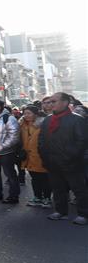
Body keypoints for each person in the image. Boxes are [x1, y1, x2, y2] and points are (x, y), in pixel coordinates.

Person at [39, 93, 87, 225]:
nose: (50, 104)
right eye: (49, 101)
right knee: (57, 188)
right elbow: (42, 140)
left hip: (72, 162)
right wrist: (44, 156)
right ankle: (61, 211)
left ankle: (83, 214)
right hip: (52, 162)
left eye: (54, 101)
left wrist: (70, 156)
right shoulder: (48, 120)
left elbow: (81, 142)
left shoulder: (77, 119)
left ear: (65, 102)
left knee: (79, 189)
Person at [20, 105, 51, 208]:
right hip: (28, 156)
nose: (26, 116)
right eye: (24, 113)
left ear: (36, 114)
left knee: (44, 178)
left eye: (29, 113)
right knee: (34, 178)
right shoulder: (23, 124)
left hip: (40, 156)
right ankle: (37, 197)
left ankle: (47, 198)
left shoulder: (43, 124)